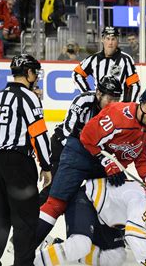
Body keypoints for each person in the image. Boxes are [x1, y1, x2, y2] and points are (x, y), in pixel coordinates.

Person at [36, 86, 146, 249]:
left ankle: (92, 242)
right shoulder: (118, 113)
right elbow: (86, 136)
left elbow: (144, 160)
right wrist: (107, 162)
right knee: (56, 203)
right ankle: (23, 250)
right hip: (80, 154)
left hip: (105, 165)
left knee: (105, 204)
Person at [0, 54, 51, 266]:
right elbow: (38, 134)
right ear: (28, 73)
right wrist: (46, 166)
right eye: (35, 73)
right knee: (25, 219)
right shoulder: (30, 98)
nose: (36, 77)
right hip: (18, 163)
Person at [35, 179, 146, 266]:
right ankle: (28, 264)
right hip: (86, 199)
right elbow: (134, 233)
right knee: (80, 244)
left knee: (116, 257)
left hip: (105, 216)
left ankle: (56, 246)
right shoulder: (139, 203)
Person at [39, 76, 123, 205]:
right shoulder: (84, 100)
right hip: (63, 146)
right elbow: (68, 130)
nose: (114, 104)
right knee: (54, 189)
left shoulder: (117, 110)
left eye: (116, 99)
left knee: (106, 186)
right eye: (110, 99)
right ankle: (32, 220)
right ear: (99, 93)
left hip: (90, 151)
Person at [72, 26, 141, 102]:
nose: (110, 43)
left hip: (118, 108)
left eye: (113, 39)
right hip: (98, 108)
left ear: (117, 40)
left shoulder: (126, 59)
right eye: (107, 39)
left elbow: (135, 85)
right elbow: (77, 74)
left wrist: (129, 105)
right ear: (102, 39)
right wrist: (88, 95)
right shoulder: (94, 59)